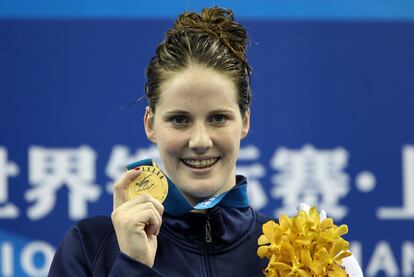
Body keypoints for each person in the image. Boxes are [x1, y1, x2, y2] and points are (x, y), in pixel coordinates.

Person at [49, 7, 362, 277]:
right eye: (180, 119)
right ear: (150, 124)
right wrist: (133, 266)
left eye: (218, 118)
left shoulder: (301, 254)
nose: (200, 141)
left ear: (245, 122)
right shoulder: (91, 246)